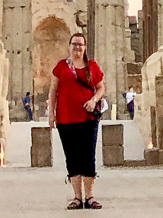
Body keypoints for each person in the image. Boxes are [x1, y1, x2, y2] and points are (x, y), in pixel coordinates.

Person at [47, 32, 105, 209]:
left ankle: (90, 196)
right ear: (70, 46)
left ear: (84, 47)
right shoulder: (61, 67)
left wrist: (93, 100)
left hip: (88, 118)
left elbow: (101, 88)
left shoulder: (91, 66)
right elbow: (53, 90)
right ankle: (77, 197)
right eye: (74, 44)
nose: (77, 47)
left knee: (88, 156)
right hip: (66, 118)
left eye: (80, 44)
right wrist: (51, 113)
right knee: (72, 157)